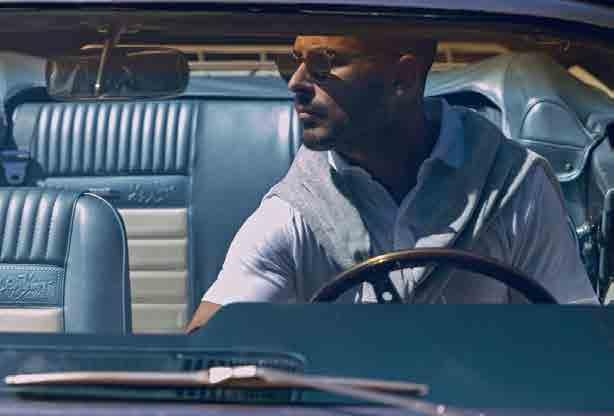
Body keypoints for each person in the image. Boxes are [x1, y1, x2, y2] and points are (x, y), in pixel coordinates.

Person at [186, 34, 598, 332]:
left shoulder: (513, 186)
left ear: (403, 78)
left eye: (323, 63)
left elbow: (577, 343)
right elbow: (211, 348)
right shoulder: (295, 211)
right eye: (292, 61)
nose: (295, 82)